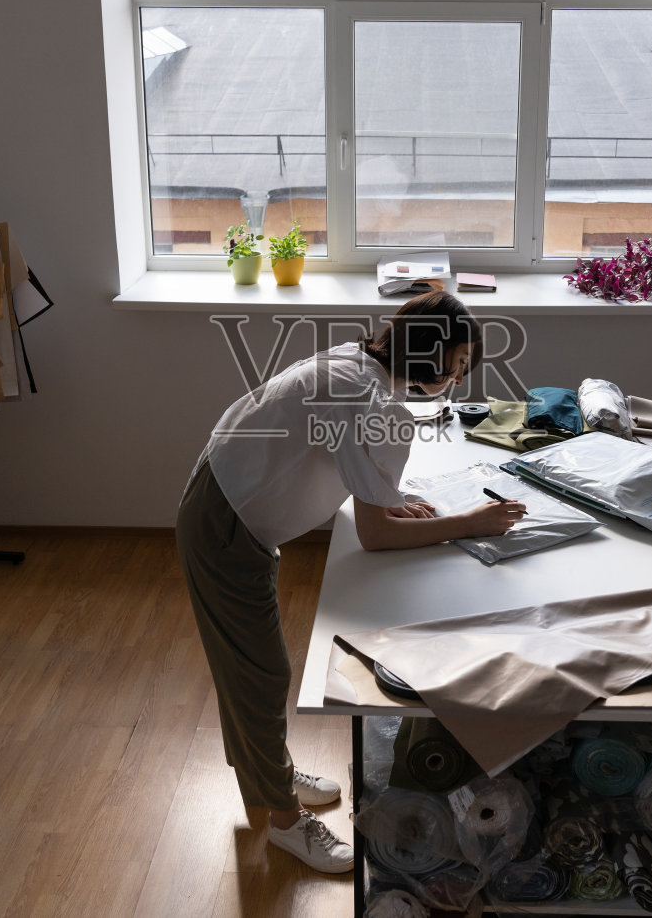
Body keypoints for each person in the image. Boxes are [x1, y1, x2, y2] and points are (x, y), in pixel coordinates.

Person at [176, 291, 526, 873]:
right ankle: (286, 824)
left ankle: (275, 779)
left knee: (248, 671)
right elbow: (375, 536)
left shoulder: (358, 362)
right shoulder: (375, 404)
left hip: (223, 504)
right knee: (260, 678)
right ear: (429, 354)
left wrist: (394, 502)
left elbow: (355, 478)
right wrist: (470, 522)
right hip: (226, 527)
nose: (459, 378)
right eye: (458, 364)